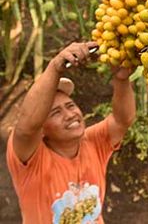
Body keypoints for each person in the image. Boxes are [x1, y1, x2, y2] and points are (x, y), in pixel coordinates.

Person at [6, 41, 136, 224]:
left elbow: (123, 120)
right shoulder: (31, 161)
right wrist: (54, 68)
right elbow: (27, 128)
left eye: (70, 106)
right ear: (41, 130)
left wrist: (122, 80)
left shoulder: (92, 142)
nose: (69, 115)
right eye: (56, 112)